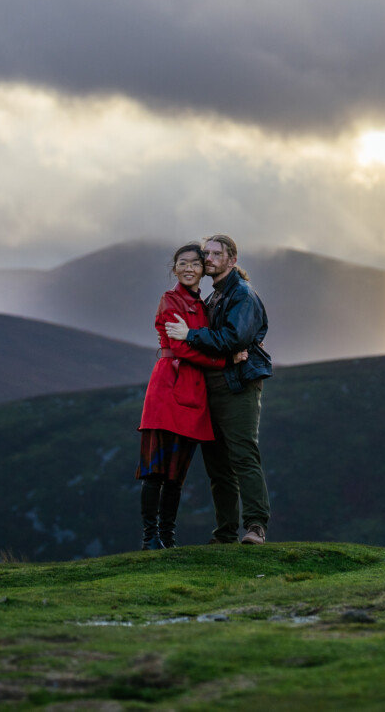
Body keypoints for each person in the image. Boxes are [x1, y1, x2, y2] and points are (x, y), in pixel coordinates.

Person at [136, 242, 246, 549]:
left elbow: (219, 337)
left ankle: (167, 538)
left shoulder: (206, 306)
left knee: (176, 474)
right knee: (155, 471)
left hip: (194, 393)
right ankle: (150, 538)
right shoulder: (170, 300)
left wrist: (247, 343)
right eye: (183, 263)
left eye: (195, 264)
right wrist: (225, 360)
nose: (189, 268)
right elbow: (182, 347)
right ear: (174, 269)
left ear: (204, 270)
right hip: (168, 388)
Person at [165, 233, 273, 545]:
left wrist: (191, 335)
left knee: (242, 456)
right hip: (212, 385)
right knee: (217, 466)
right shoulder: (216, 295)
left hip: (238, 385)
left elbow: (233, 339)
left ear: (232, 260)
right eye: (206, 254)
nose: (208, 259)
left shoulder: (241, 294)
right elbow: (230, 341)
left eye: (216, 254)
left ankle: (256, 527)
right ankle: (225, 533)